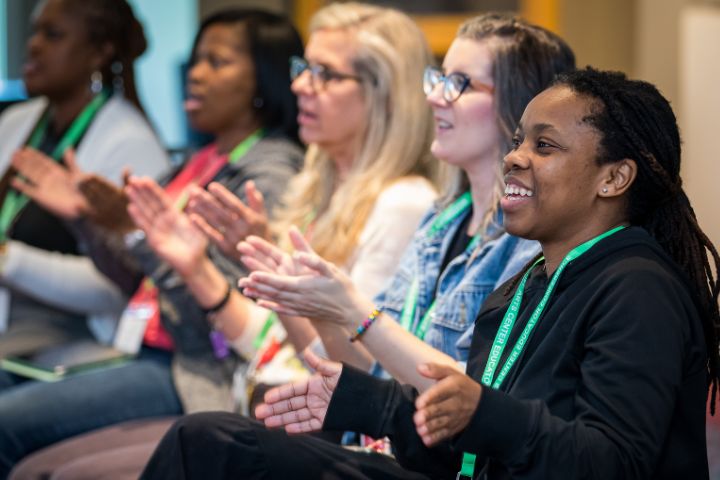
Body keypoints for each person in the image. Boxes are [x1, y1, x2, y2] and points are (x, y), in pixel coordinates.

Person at [173, 68, 719, 479]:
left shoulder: (639, 289)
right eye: (518, 141)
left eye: (544, 145)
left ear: (614, 178)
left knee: (210, 446)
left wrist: (484, 411)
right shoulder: (527, 285)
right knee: (210, 439)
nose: (516, 158)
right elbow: (473, 454)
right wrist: (373, 404)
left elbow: (614, 464)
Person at [136, 13, 580, 480]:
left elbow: (469, 397)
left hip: (436, 462)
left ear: (523, 108)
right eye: (438, 78)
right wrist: (314, 304)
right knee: (193, 442)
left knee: (201, 441)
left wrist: (352, 312)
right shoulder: (440, 221)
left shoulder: (524, 242)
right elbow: (362, 373)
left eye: (460, 83)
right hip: (375, 442)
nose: (434, 95)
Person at [10, 3, 440, 479]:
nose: (301, 85)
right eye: (303, 70)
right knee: (39, 466)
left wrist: (160, 251)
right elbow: (265, 338)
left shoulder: (391, 200)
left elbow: (356, 371)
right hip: (250, 385)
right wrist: (186, 264)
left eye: (325, 74)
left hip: (244, 389)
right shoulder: (316, 191)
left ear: (383, 96)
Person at [0, 8, 304, 477]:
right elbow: (131, 278)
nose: (195, 75)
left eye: (217, 63)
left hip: (191, 366)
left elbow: (218, 309)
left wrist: (138, 233)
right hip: (141, 347)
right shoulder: (202, 159)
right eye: (197, 60)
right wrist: (87, 222)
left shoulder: (268, 173)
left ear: (263, 78)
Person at [0, 0, 168, 363]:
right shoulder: (17, 121)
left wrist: (8, 261)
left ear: (99, 53)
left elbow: (121, 286)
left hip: (72, 340)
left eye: (53, 35)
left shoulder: (130, 143)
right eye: (35, 32)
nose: (34, 45)